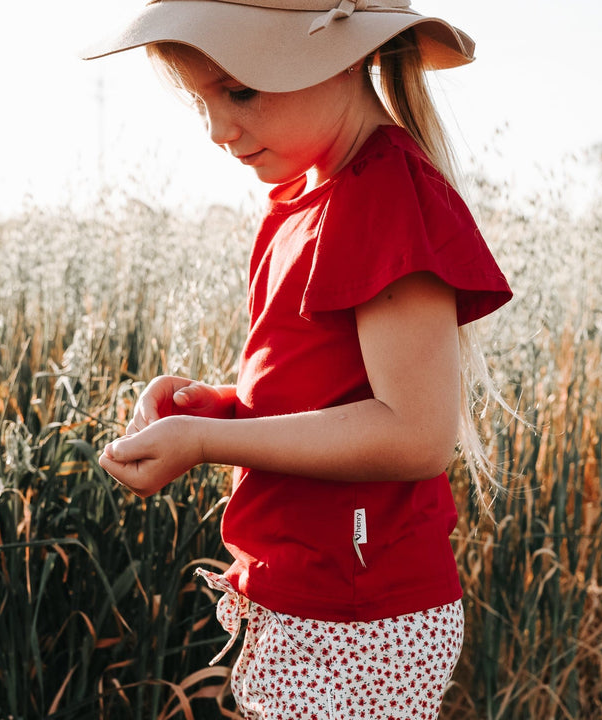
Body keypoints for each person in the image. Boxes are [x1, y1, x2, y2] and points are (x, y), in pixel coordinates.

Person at [84, 1, 512, 717]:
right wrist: (214, 406)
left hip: (359, 616)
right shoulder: (307, 194)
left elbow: (416, 432)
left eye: (240, 90)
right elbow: (332, 397)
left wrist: (206, 442)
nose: (219, 130)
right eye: (202, 101)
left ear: (342, 60)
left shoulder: (382, 195)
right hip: (315, 595)